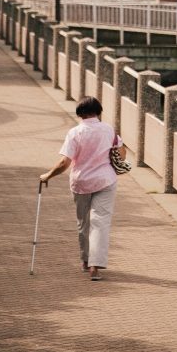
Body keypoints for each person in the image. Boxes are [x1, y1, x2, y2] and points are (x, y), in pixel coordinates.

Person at [40, 96, 126, 281]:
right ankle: (96, 266)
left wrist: (48, 175)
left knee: (84, 224)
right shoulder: (108, 129)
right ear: (98, 111)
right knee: (100, 223)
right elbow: (121, 153)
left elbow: (65, 162)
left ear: (80, 114)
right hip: (105, 181)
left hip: (81, 182)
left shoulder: (75, 133)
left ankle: (86, 261)